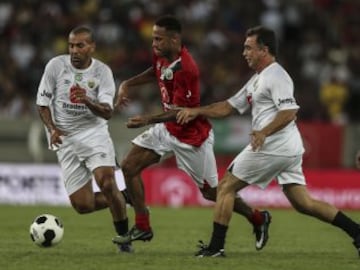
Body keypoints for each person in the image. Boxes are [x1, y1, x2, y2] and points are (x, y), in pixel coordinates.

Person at [176, 25, 360, 257]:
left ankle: (216, 247)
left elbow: (289, 111)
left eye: (248, 48)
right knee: (304, 203)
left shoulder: (277, 75)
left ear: (264, 50)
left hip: (274, 145)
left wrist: (263, 132)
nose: (244, 53)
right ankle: (357, 232)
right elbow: (228, 106)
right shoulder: (257, 79)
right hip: (288, 147)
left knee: (225, 187)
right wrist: (196, 111)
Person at [112, 15, 271, 250]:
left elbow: (180, 112)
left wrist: (146, 119)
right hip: (166, 130)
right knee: (128, 166)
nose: (153, 44)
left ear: (175, 39)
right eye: (153, 38)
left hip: (191, 137)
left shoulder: (187, 69)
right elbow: (155, 72)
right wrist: (127, 83)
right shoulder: (162, 55)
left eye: (158, 39)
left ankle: (258, 218)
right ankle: (143, 225)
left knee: (212, 193)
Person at [36, 25, 131, 253]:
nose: (74, 50)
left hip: (94, 134)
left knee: (107, 182)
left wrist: (87, 100)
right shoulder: (55, 66)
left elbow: (108, 112)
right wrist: (52, 128)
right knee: (83, 205)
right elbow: (42, 103)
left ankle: (124, 239)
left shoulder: (102, 72)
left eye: (80, 45)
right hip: (65, 139)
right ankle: (127, 197)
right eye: (71, 45)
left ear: (92, 47)